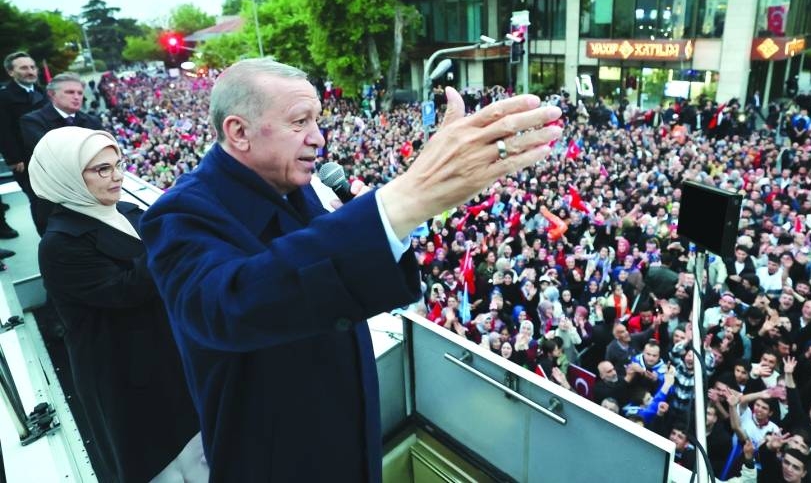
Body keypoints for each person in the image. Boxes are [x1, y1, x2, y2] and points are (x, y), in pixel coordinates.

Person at [139, 58, 562, 481]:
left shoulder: (295, 189)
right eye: (299, 121)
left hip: (349, 443)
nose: (318, 138)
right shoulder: (179, 215)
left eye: (317, 121)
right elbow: (232, 304)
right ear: (239, 132)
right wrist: (404, 200)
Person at [29, 127, 203, 483]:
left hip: (169, 352)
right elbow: (123, 292)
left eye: (118, 164)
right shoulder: (60, 244)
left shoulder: (126, 209)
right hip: (126, 374)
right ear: (65, 177)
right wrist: (174, 240)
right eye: (101, 170)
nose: (118, 176)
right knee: (163, 464)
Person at [20, 72, 103, 233]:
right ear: (52, 94)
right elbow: (52, 153)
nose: (77, 97)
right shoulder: (32, 121)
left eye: (79, 93)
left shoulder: (92, 121)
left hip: (89, 193)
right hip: (52, 196)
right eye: (70, 92)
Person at [0, 50, 47, 239]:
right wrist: (13, 157)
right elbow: (3, 130)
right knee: (39, 202)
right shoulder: (3, 97)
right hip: (24, 161)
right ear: (11, 72)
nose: (31, 71)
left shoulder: (41, 92)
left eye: (32, 67)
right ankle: (47, 241)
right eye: (24, 67)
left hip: (48, 157)